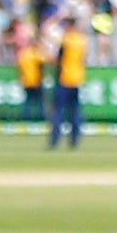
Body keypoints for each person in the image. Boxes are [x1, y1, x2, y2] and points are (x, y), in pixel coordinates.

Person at [48, 17, 87, 149]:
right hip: (77, 78)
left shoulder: (66, 40)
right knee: (75, 111)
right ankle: (74, 140)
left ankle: (54, 140)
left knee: (58, 111)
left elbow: (58, 59)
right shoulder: (81, 40)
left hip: (64, 78)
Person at [15, 26, 45, 124]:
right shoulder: (35, 53)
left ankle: (26, 118)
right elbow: (44, 61)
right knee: (39, 101)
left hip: (26, 80)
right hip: (35, 80)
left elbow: (19, 66)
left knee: (28, 101)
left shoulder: (23, 54)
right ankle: (40, 118)